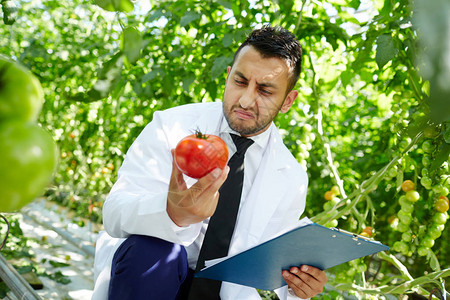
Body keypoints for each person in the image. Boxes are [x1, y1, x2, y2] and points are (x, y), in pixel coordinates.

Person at [91, 25, 327, 300]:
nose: (246, 100)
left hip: (223, 294)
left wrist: (299, 287)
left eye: (264, 90)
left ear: (287, 101)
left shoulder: (291, 178)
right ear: (227, 76)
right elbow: (114, 213)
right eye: (240, 81)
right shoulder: (171, 126)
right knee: (154, 251)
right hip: (151, 283)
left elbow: (273, 265)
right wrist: (170, 212)